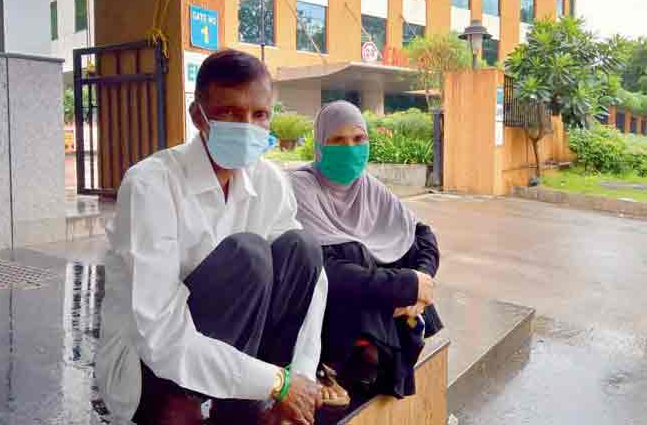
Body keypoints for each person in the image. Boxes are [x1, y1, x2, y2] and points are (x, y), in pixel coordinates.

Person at [95, 49, 328, 425]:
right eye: (229, 113)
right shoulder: (151, 183)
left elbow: (312, 281)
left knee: (303, 249)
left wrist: (297, 378)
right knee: (249, 255)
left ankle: (243, 403)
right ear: (197, 115)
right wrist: (276, 382)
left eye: (259, 115)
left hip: (239, 360)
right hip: (149, 368)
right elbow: (161, 336)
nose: (246, 126)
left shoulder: (269, 180)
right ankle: (187, 400)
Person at [289, 101, 443, 404]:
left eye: (358, 139)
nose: (350, 148)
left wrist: (421, 282)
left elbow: (422, 235)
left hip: (375, 304)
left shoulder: (368, 187)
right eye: (338, 140)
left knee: (400, 251)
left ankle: (372, 350)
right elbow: (323, 269)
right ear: (320, 144)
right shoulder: (299, 188)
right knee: (354, 255)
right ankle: (334, 360)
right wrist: (401, 287)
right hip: (323, 311)